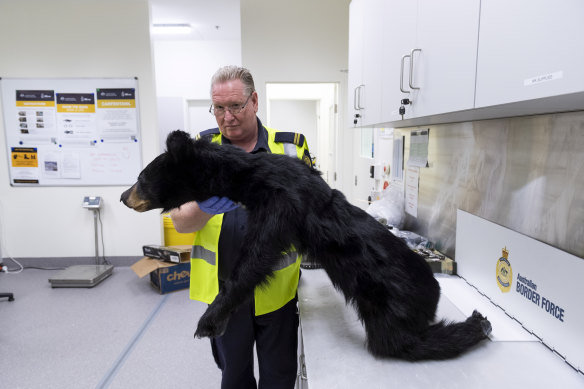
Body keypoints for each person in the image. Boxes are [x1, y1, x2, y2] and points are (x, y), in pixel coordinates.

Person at [170, 65, 312, 389]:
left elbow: (313, 213)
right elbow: (179, 219)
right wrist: (205, 205)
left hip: (276, 293)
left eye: (235, 106)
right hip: (224, 294)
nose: (227, 117)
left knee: (278, 378)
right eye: (219, 108)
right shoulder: (198, 150)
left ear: (255, 101)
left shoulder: (291, 147)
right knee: (233, 378)